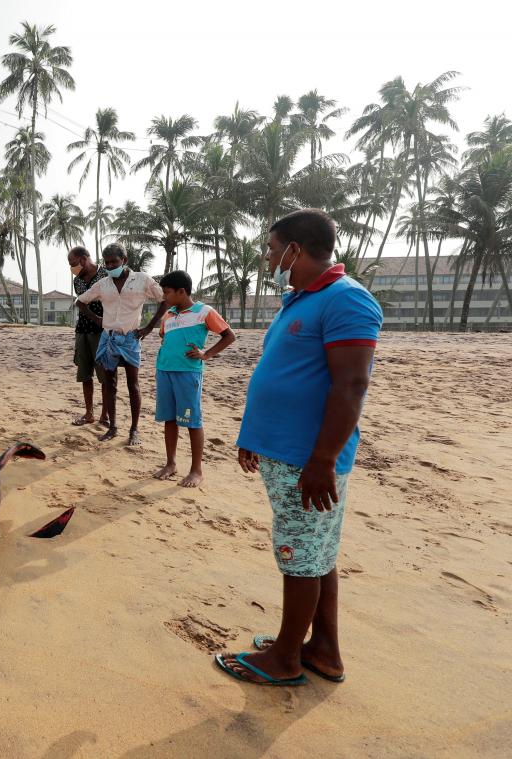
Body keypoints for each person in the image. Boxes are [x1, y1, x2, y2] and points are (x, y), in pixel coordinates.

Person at [216, 209, 382, 687]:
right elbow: (279, 372)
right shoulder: (301, 299)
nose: (269, 257)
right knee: (317, 554)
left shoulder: (347, 301)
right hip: (282, 452)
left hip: (306, 459)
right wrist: (252, 436)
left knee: (300, 555)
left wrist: (323, 460)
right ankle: (323, 649)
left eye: (273, 249)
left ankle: (285, 659)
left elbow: (351, 385)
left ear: (296, 249)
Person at [151, 270, 236, 488]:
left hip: (188, 373)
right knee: (169, 419)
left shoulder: (203, 311)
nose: (164, 296)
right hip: (164, 371)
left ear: (182, 291)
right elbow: (165, 336)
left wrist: (206, 354)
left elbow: (229, 335)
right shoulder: (169, 314)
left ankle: (196, 470)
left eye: (167, 292)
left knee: (192, 421)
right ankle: (170, 463)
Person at [75, 243, 166, 445]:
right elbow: (80, 302)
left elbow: (164, 299)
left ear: (124, 260)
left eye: (114, 262)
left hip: (130, 339)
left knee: (133, 385)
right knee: (110, 385)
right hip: (108, 338)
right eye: (106, 263)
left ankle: (134, 429)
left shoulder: (142, 280)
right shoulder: (103, 284)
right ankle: (113, 427)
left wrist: (150, 327)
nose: (110, 266)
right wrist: (97, 319)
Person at [67, 246, 110, 426]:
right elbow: (81, 303)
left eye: (73, 263)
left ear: (84, 259)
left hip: (102, 331)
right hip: (82, 330)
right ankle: (89, 413)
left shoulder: (106, 275)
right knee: (85, 373)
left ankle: (105, 415)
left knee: (105, 376)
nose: (72, 268)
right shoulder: (77, 281)